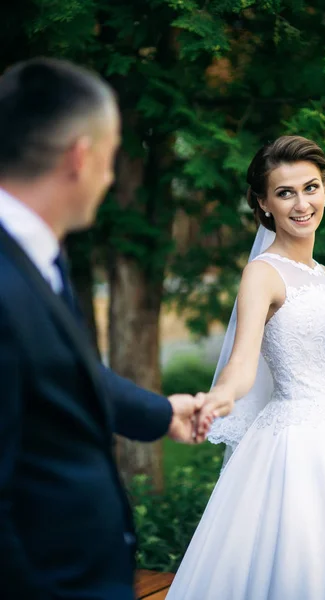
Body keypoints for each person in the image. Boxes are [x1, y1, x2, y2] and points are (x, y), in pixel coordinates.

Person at [0, 57, 212, 600]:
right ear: (80, 156)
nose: (111, 177)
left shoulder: (34, 257)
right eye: (112, 156)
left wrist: (163, 412)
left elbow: (63, 373)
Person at [167, 135, 325, 599]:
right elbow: (241, 364)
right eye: (285, 192)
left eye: (310, 187)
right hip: (296, 444)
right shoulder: (261, 273)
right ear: (263, 203)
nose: (302, 203)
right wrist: (218, 398)